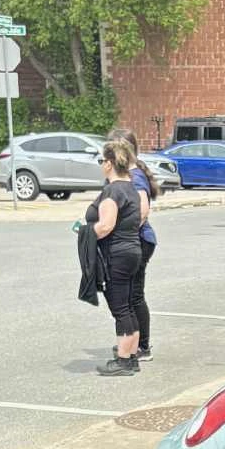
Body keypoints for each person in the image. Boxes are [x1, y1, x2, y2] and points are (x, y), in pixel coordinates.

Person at [88, 139, 145, 376]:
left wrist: (85, 231)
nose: (102, 165)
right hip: (133, 250)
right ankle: (131, 357)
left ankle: (122, 360)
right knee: (129, 306)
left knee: (120, 308)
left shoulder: (112, 191)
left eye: (102, 160)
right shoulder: (131, 188)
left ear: (109, 164)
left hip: (117, 254)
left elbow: (106, 225)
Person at [108, 128, 157, 361]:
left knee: (134, 295)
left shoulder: (135, 177)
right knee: (130, 295)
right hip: (135, 240)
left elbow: (142, 211)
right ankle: (133, 343)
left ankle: (142, 347)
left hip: (139, 241)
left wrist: (123, 233)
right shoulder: (128, 174)